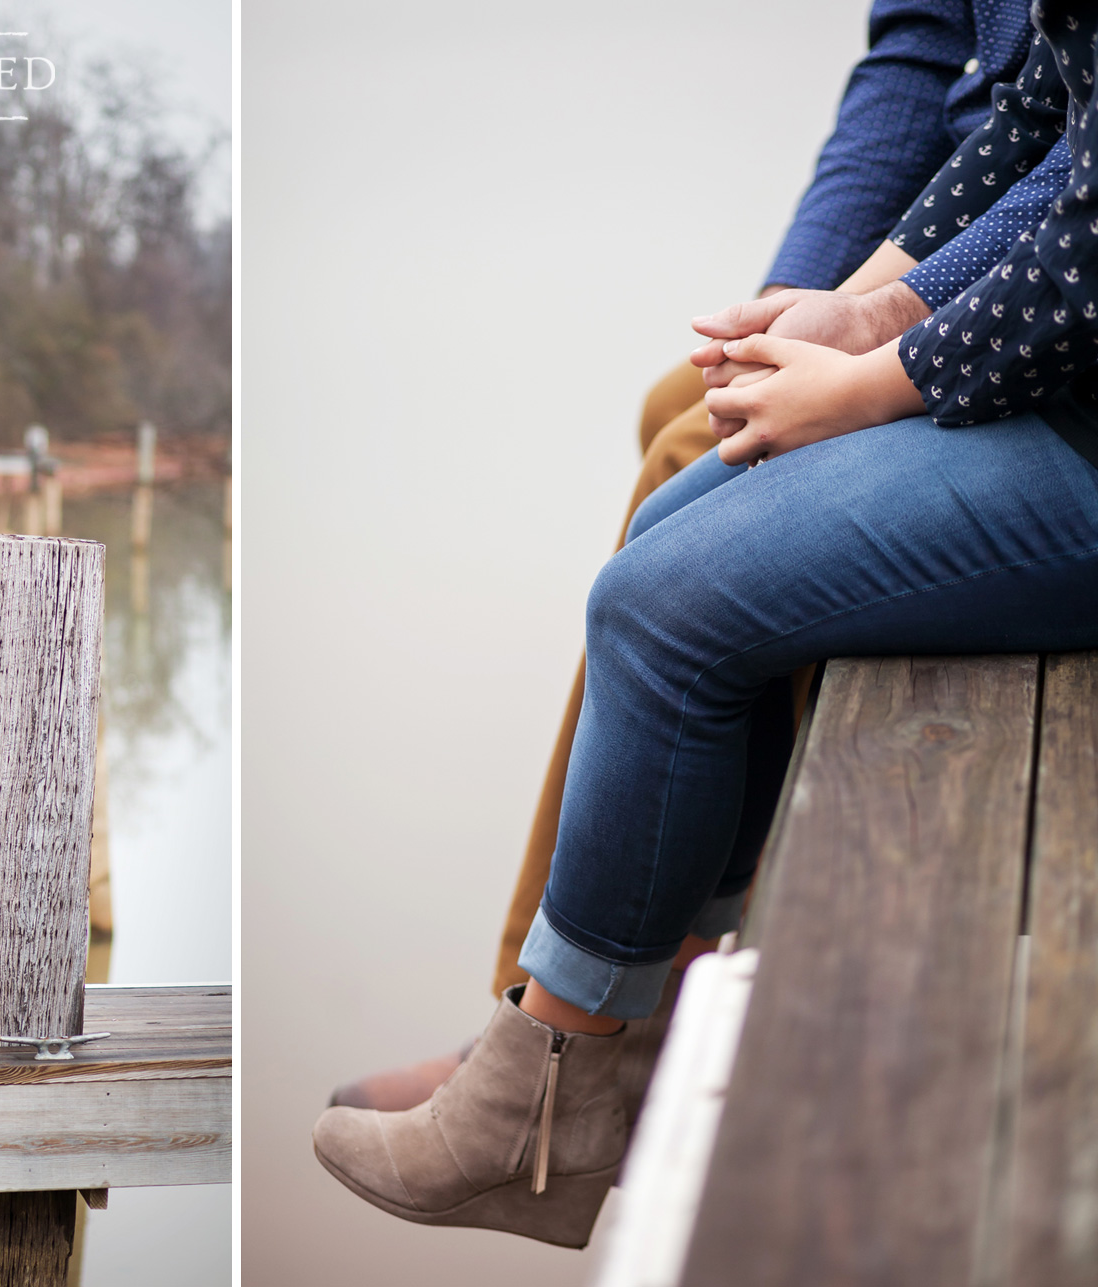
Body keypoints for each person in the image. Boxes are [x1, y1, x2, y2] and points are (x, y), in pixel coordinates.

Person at [313, 0, 1098, 1249]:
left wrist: (884, 370)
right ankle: (592, 1011)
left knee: (663, 595)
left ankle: (558, 1065)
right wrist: (854, 307)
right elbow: (1035, 122)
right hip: (1041, 324)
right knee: (685, 493)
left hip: (1066, 373)